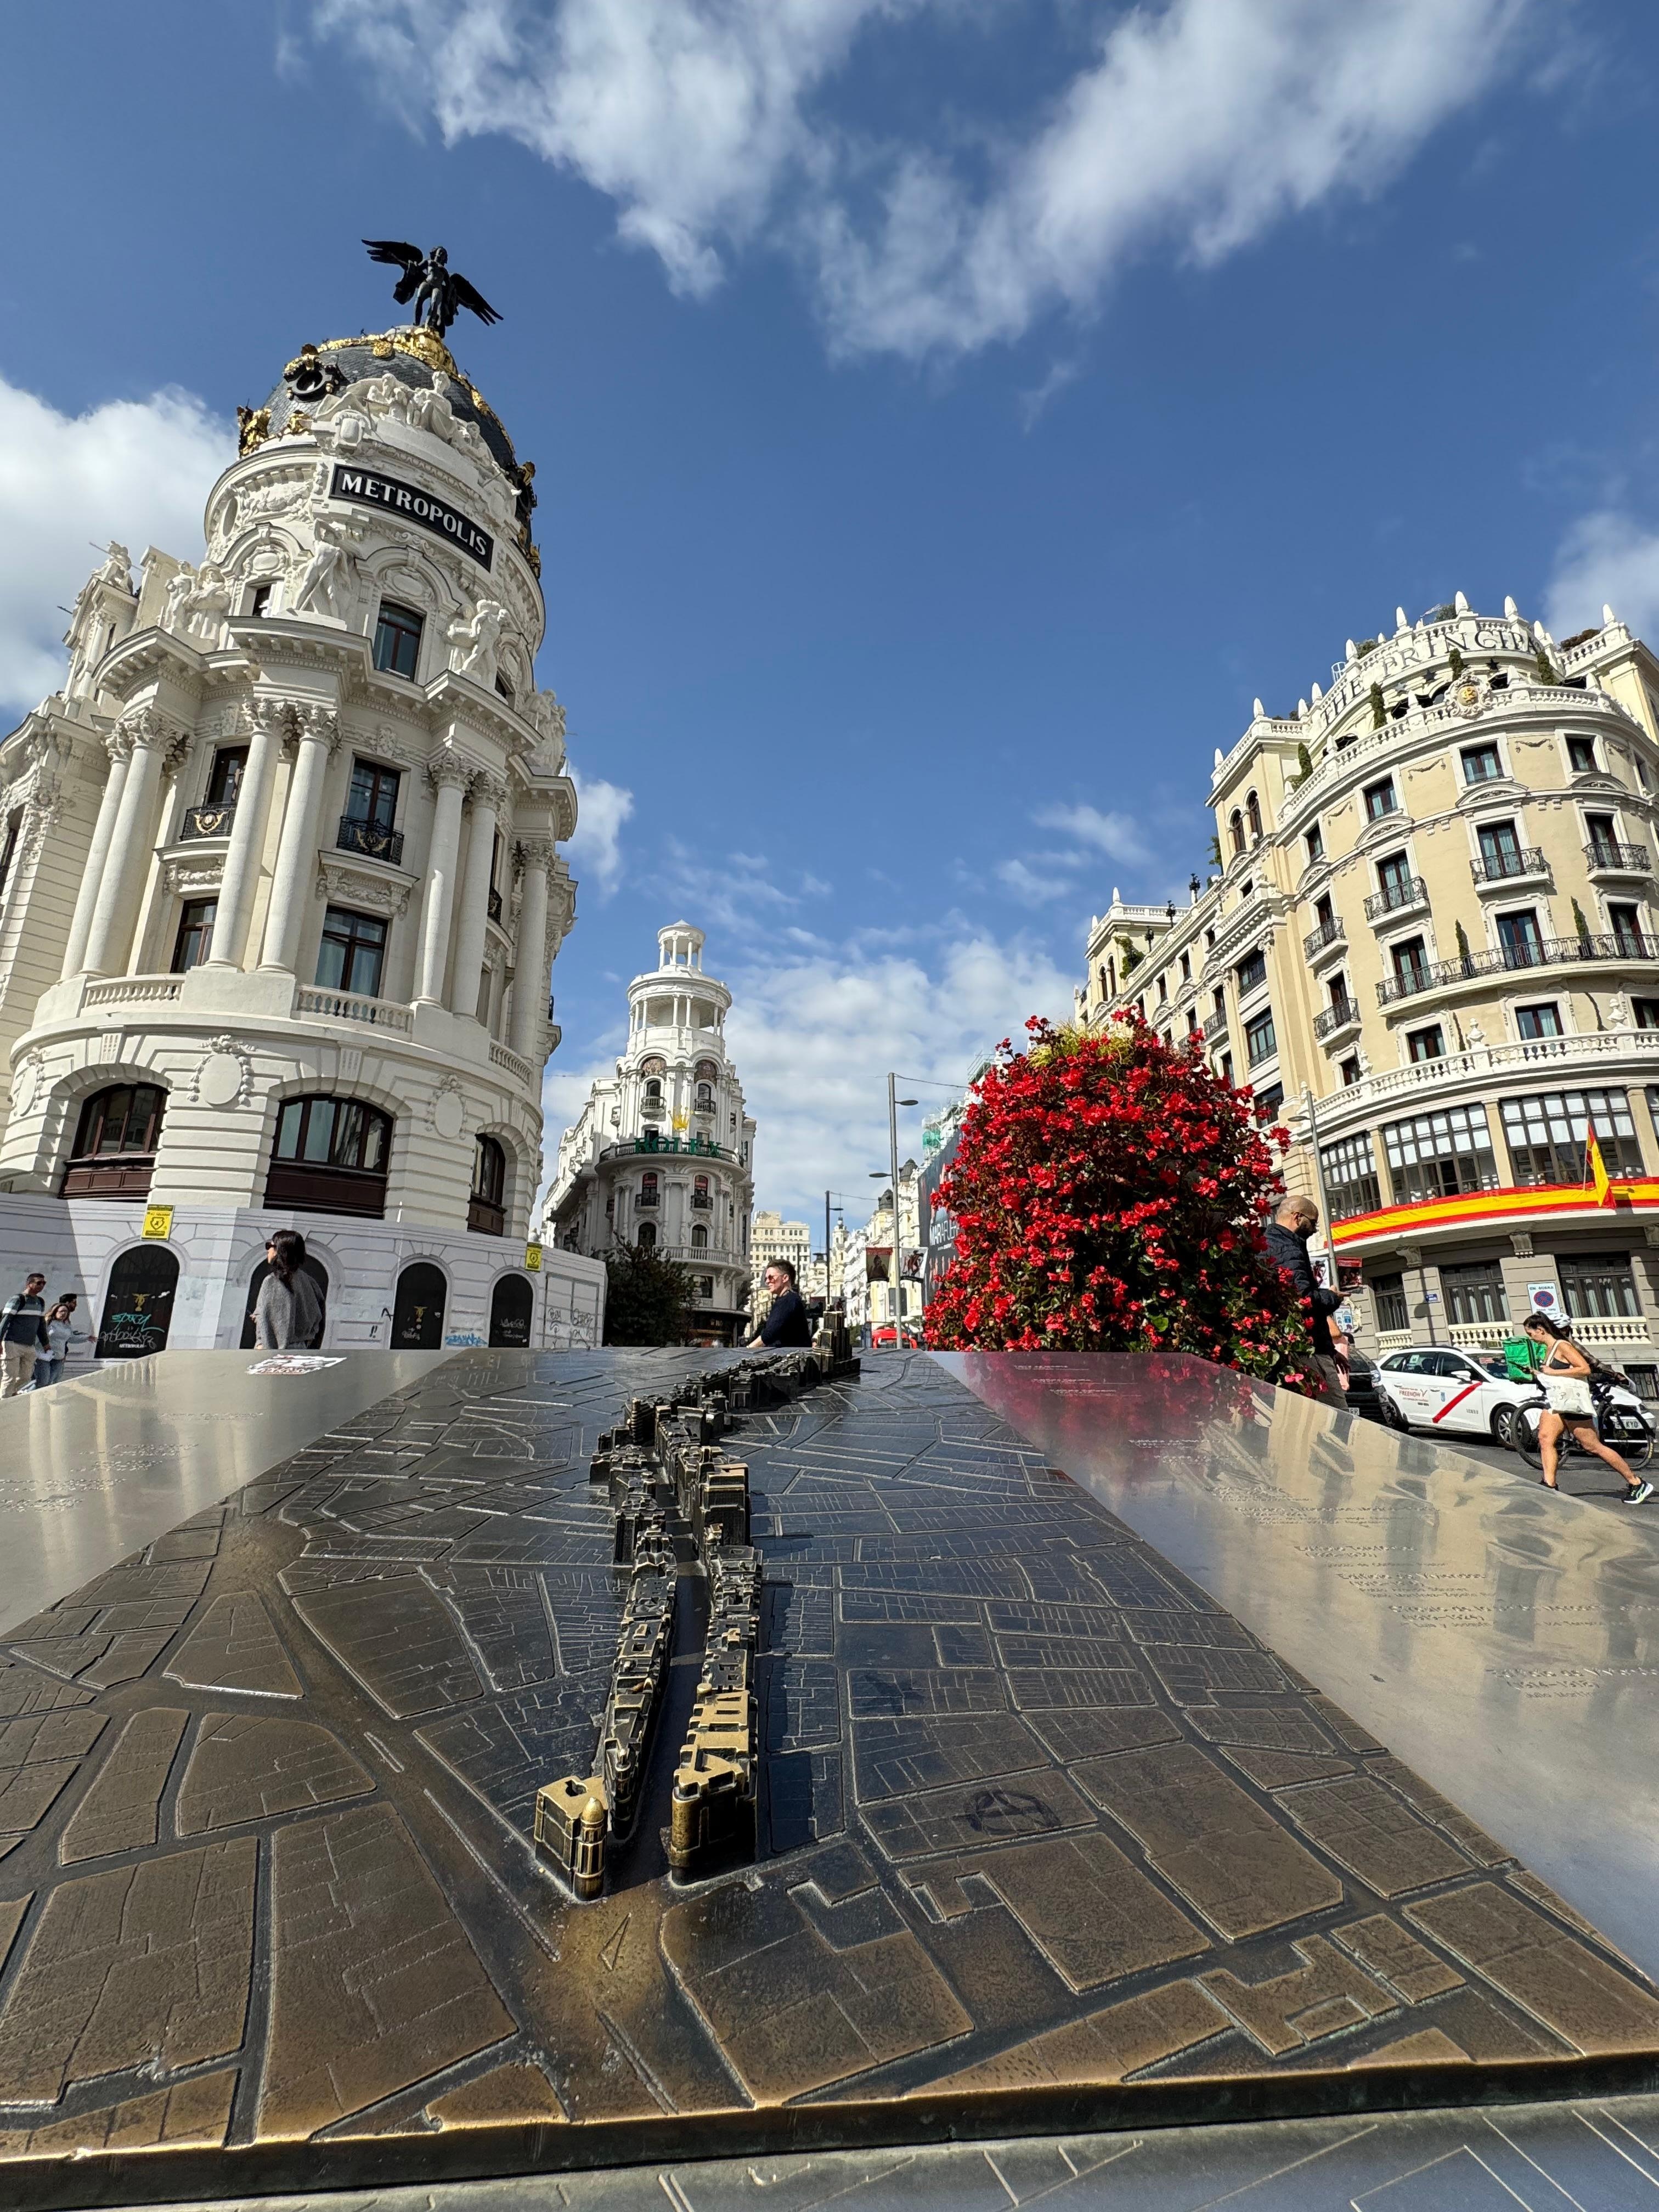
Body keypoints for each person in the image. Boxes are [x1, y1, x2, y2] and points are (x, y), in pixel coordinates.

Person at [1521, 1312, 1652, 1500]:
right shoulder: (1549, 1349)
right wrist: (1538, 1374)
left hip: (1571, 1402)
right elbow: (1555, 1373)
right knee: (1545, 1438)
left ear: (1540, 1330)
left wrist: (1553, 1373)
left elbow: (1585, 1369)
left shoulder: (1563, 1346)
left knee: (1592, 1446)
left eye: (1530, 1334)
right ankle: (1549, 1485)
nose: (1530, 1338)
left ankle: (1637, 1482)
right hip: (1557, 1401)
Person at [1265, 1197, 1346, 1406]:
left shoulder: (1270, 1243)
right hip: (1307, 1354)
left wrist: (1331, 1351)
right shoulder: (1288, 1250)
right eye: (1313, 1222)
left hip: (1291, 1349)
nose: (1315, 1229)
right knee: (1338, 1420)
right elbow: (1303, 1300)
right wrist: (1332, 1297)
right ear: (1297, 1218)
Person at [253, 1231, 325, 1351]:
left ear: (278, 1251)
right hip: (302, 1353)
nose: (268, 1251)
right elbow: (319, 1323)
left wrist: (265, 1351)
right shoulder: (309, 1282)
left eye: (269, 1246)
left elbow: (270, 1327)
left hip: (276, 1357)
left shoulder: (272, 1281)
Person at [1, 1273, 50, 1397]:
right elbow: (5, 1321)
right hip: (12, 1344)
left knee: (25, 1377)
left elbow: (41, 1325)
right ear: (30, 1284)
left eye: (44, 1283)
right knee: (10, 1377)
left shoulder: (40, 1302)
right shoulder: (18, 1299)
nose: (42, 1285)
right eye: (39, 1283)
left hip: (29, 1346)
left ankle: (7, 1394)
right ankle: (4, 1404)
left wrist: (46, 1344)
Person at [743, 1260, 812, 1349]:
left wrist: (747, 1350)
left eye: (771, 1277)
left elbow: (769, 1335)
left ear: (785, 1278)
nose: (767, 1282)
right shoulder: (788, 1299)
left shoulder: (788, 1300)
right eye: (766, 1279)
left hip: (790, 1357)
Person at [30, 1295, 88, 1390]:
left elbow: (71, 1338)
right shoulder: (47, 1323)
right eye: (62, 1311)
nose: (64, 1314)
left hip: (58, 1357)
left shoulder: (67, 1325)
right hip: (43, 1356)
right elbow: (37, 1337)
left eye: (66, 1312)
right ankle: (25, 1394)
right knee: (42, 1381)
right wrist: (33, 1352)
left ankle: (42, 1400)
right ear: (55, 1311)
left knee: (51, 1382)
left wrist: (87, 1338)